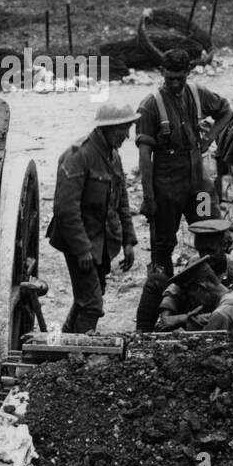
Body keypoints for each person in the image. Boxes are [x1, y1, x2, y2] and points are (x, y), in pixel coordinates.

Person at [136, 44, 233, 278]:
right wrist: (149, 197)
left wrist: (209, 138)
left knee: (210, 231)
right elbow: (144, 156)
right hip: (167, 188)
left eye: (180, 78)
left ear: (188, 73)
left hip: (197, 186)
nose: (175, 84)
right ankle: (166, 295)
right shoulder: (150, 106)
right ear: (162, 73)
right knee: (164, 245)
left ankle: (215, 290)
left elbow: (226, 110)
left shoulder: (198, 94)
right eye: (170, 78)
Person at [47, 102, 139, 333]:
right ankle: (76, 356)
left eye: (128, 129)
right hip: (79, 241)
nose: (126, 136)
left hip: (102, 241)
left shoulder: (113, 156)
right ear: (106, 128)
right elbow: (66, 210)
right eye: (122, 130)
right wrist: (82, 249)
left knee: (89, 297)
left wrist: (129, 240)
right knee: (92, 304)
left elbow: (122, 201)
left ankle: (65, 344)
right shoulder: (78, 156)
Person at [135, 217, 233, 332]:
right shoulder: (196, 259)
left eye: (210, 251)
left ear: (224, 245)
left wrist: (182, 319)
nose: (204, 257)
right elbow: (177, 287)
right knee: (155, 281)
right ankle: (141, 336)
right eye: (200, 250)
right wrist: (166, 315)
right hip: (196, 307)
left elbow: (229, 313)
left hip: (218, 318)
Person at [153, 259, 233, 336]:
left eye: (194, 297)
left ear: (201, 288)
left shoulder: (221, 314)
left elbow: (205, 355)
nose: (196, 302)